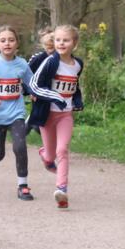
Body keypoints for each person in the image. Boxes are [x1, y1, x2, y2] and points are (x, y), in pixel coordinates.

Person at [28, 24, 84, 209]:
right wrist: (56, 97)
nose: (61, 43)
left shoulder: (77, 64)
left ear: (74, 43)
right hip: (46, 114)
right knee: (51, 155)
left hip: (65, 115)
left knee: (63, 150)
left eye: (66, 40)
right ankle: (45, 154)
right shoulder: (51, 62)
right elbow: (34, 85)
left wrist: (77, 100)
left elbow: (74, 86)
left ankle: (62, 190)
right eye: (58, 40)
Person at [0, 25, 34, 201]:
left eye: (11, 40)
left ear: (17, 43)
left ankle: (23, 185)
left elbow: (31, 83)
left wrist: (35, 94)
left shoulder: (22, 64)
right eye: (3, 40)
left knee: (20, 147)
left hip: (16, 113)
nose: (7, 43)